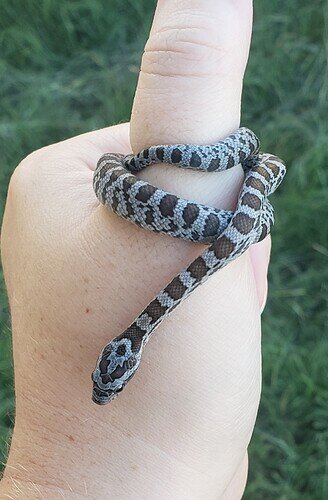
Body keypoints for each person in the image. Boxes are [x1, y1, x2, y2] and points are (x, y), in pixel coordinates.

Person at [0, 1, 272, 498]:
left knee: (240, 210)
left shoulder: (145, 324)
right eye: (113, 384)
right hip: (190, 182)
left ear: (117, 353)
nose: (106, 390)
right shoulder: (143, 324)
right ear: (123, 355)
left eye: (107, 381)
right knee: (239, 211)